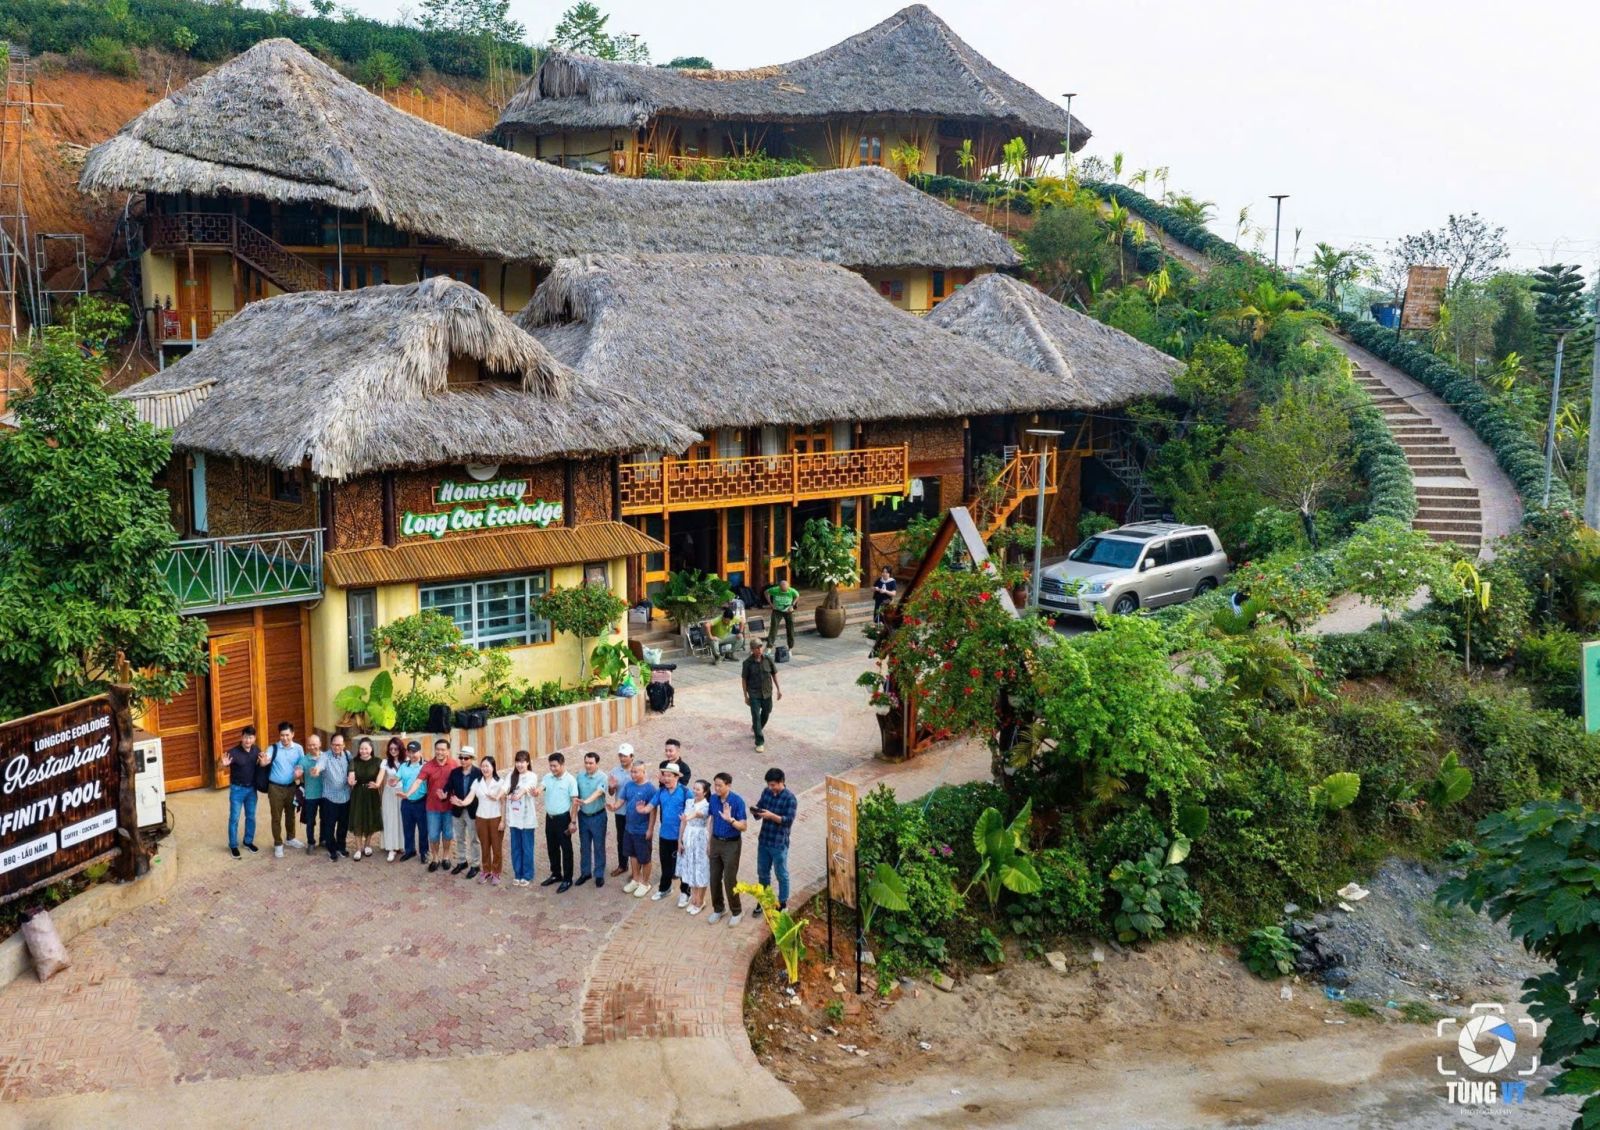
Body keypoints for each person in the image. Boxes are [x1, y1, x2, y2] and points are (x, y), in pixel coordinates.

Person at [751, 767, 798, 910]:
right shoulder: (766, 792)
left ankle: (782, 903)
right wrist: (756, 812)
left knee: (781, 874)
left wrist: (771, 816)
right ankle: (764, 900)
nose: (771, 788)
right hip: (764, 839)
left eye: (773, 785)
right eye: (769, 785)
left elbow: (788, 820)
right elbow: (760, 807)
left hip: (779, 843)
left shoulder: (790, 798)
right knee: (762, 873)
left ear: (781, 782)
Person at [707, 772, 748, 926]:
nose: (716, 788)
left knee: (730, 879)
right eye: (715, 785)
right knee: (714, 877)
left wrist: (730, 820)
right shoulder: (713, 799)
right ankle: (719, 908)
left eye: (720, 785)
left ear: (728, 785)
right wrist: (709, 842)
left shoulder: (737, 802)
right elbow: (711, 820)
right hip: (716, 841)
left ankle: (737, 911)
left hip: (732, 843)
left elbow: (743, 826)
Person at [617, 760, 658, 898]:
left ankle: (645, 883)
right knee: (632, 855)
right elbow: (621, 800)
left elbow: (653, 811)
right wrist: (613, 806)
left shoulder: (650, 789)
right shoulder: (629, 785)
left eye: (636, 772)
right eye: (632, 771)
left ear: (643, 772)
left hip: (642, 830)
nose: (633, 774)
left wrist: (650, 829)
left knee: (645, 858)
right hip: (629, 828)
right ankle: (635, 879)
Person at [539, 752, 580, 891]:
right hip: (549, 818)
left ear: (562, 765)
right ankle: (556, 874)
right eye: (550, 766)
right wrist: (536, 791)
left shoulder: (570, 780)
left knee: (566, 849)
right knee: (552, 847)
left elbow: (575, 802)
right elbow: (541, 787)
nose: (552, 769)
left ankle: (568, 879)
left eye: (555, 766)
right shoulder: (547, 777)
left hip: (563, 819)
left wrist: (573, 821)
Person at [265, 721, 305, 858]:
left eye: (287, 735)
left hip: (292, 787)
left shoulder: (299, 748)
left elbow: (302, 763)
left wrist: (300, 771)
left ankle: (291, 838)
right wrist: (263, 761)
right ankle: (278, 844)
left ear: (292, 734)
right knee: (276, 817)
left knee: (291, 813)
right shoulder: (273, 748)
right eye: (282, 735)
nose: (285, 738)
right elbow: (266, 759)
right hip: (275, 788)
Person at [651, 763, 690, 903]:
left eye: (669, 776)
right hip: (664, 836)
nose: (666, 778)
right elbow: (650, 807)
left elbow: (692, 813)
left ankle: (685, 892)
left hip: (680, 837)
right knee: (666, 865)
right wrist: (640, 809)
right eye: (664, 775)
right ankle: (664, 889)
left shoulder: (686, 792)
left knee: (682, 866)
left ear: (676, 777)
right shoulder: (661, 792)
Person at [225, 725, 265, 858]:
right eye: (246, 737)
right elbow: (220, 765)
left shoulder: (256, 750)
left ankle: (248, 842)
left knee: (251, 817)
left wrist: (264, 762)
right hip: (237, 789)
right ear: (241, 737)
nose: (248, 740)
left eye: (251, 737)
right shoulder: (233, 752)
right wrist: (222, 764)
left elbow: (261, 764)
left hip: (252, 789)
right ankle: (233, 845)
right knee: (234, 818)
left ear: (254, 738)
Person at [420, 739, 457, 873]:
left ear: (448, 751)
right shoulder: (428, 766)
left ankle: (445, 857)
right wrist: (408, 793)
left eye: (443, 749)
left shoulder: (454, 765)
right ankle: (435, 858)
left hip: (449, 808)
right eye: (438, 749)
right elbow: (418, 781)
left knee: (448, 834)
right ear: (434, 750)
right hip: (432, 807)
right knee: (434, 835)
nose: (440, 752)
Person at [504, 750, 539, 887]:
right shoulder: (511, 776)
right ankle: (517, 874)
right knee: (515, 848)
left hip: (527, 819)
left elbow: (527, 787)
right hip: (514, 819)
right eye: (517, 761)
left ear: (528, 762)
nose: (520, 764)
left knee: (527, 848)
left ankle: (528, 874)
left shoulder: (532, 776)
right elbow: (505, 788)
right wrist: (499, 794)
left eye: (522, 762)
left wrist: (519, 794)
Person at [677, 778, 712, 915]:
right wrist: (680, 840)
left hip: (700, 838)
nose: (695, 791)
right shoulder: (689, 802)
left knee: (700, 868)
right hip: (688, 836)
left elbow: (698, 814)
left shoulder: (706, 805)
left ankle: (700, 900)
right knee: (690, 867)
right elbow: (683, 823)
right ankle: (694, 899)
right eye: (694, 788)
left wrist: (688, 818)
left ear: (705, 792)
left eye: (698, 789)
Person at [574, 751, 609, 887]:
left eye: (591, 763)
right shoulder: (580, 777)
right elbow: (575, 795)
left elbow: (599, 792)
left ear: (597, 763)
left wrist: (586, 802)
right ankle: (585, 872)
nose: (588, 766)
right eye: (586, 763)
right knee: (584, 846)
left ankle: (599, 874)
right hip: (583, 817)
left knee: (599, 846)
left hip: (598, 816)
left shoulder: (603, 778)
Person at [317, 734, 354, 861]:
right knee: (329, 825)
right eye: (334, 744)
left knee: (343, 825)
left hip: (345, 797)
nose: (336, 747)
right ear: (331, 744)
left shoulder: (348, 755)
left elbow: (354, 769)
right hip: (330, 798)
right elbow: (320, 765)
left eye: (339, 745)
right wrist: (316, 770)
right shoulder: (325, 756)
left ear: (343, 745)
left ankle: (341, 847)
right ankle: (331, 849)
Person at [741, 640, 782, 753]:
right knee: (756, 716)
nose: (759, 650)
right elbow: (744, 680)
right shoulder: (747, 663)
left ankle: (756, 728)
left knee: (767, 712)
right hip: (754, 694)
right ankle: (759, 742)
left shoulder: (768, 659)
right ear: (752, 650)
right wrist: (745, 696)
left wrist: (778, 689)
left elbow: (774, 674)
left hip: (767, 693)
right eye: (756, 648)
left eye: (760, 647)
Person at [447, 746, 482, 879]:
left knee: (474, 839)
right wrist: (445, 794)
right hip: (457, 810)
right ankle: (462, 862)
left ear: (472, 759)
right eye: (460, 757)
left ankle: (475, 865)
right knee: (459, 838)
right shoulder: (454, 772)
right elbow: (448, 786)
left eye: (465, 758)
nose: (462, 760)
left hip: (473, 810)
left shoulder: (479, 773)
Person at [471, 755, 507, 885]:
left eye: (487, 766)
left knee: (496, 848)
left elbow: (503, 803)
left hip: (495, 818)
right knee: (484, 846)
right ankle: (486, 870)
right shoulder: (477, 782)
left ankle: (496, 872)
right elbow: (470, 798)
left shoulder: (500, 783)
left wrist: (503, 821)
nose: (485, 768)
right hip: (481, 818)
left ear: (493, 767)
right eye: (483, 766)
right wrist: (460, 802)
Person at [349, 736, 385, 858]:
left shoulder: (378, 761)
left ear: (371, 749)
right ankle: (358, 849)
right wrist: (351, 781)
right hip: (358, 793)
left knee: (371, 818)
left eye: (366, 748)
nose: (363, 751)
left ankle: (367, 845)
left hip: (371, 793)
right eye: (361, 749)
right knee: (357, 819)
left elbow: (381, 774)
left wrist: (378, 784)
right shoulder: (354, 761)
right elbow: (351, 774)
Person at [396, 740, 428, 865]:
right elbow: (397, 778)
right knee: (407, 828)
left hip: (421, 802)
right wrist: (393, 781)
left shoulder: (426, 765)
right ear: (407, 753)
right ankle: (410, 850)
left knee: (423, 829)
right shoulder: (403, 766)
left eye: (415, 752)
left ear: (420, 752)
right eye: (410, 752)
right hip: (406, 802)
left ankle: (424, 852)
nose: (412, 754)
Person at [607, 744, 636, 877]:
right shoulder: (614, 771)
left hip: (634, 812)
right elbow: (612, 792)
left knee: (635, 840)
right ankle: (622, 865)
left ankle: (636, 869)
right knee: (621, 839)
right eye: (620, 755)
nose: (622, 758)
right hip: (620, 811)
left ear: (632, 757)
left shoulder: (636, 771)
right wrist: (612, 787)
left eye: (625, 756)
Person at [295, 734, 324, 856]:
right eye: (310, 745)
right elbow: (298, 770)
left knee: (326, 819)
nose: (312, 747)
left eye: (315, 744)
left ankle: (324, 839)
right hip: (310, 795)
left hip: (325, 795)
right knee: (310, 821)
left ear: (320, 744)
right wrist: (297, 773)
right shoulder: (303, 760)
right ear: (307, 746)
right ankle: (311, 842)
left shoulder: (326, 757)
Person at [380, 737, 406, 861]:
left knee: (401, 818)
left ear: (400, 749)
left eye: (396, 748)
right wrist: (377, 784)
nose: (393, 751)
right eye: (391, 749)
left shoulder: (406, 761)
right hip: (389, 793)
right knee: (390, 818)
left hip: (402, 792)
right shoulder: (385, 762)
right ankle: (391, 847)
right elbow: (380, 776)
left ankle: (400, 845)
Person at [765, 577, 798, 650]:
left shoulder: (792, 591)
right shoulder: (774, 590)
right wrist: (770, 604)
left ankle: (790, 647)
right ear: (779, 587)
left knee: (790, 628)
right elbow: (766, 592)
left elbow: (797, 596)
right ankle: (769, 646)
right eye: (783, 591)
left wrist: (792, 605)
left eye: (786, 590)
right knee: (773, 628)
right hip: (777, 610)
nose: (784, 592)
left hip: (788, 610)